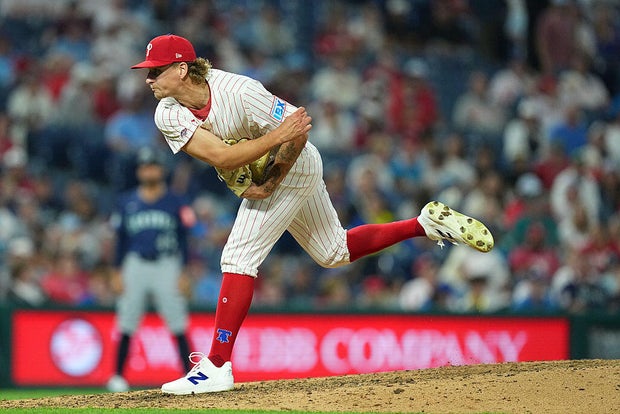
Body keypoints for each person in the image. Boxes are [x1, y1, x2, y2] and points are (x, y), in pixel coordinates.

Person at [130, 34, 494, 395]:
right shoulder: (167, 112)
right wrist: (271, 151)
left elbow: (298, 133)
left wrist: (271, 177)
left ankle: (217, 365)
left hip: (298, 164)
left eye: (155, 71)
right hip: (274, 169)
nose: (148, 79)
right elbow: (221, 157)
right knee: (333, 252)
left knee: (238, 256)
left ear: (181, 69)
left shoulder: (240, 92)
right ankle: (424, 224)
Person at [106, 146, 194, 392]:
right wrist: (115, 271)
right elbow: (120, 240)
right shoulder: (126, 202)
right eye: (145, 166)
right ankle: (117, 376)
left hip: (167, 263)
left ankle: (190, 375)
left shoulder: (176, 201)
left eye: (153, 165)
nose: (149, 170)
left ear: (161, 169)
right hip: (135, 264)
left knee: (177, 320)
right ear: (139, 171)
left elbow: (186, 240)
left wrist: (185, 272)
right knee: (127, 318)